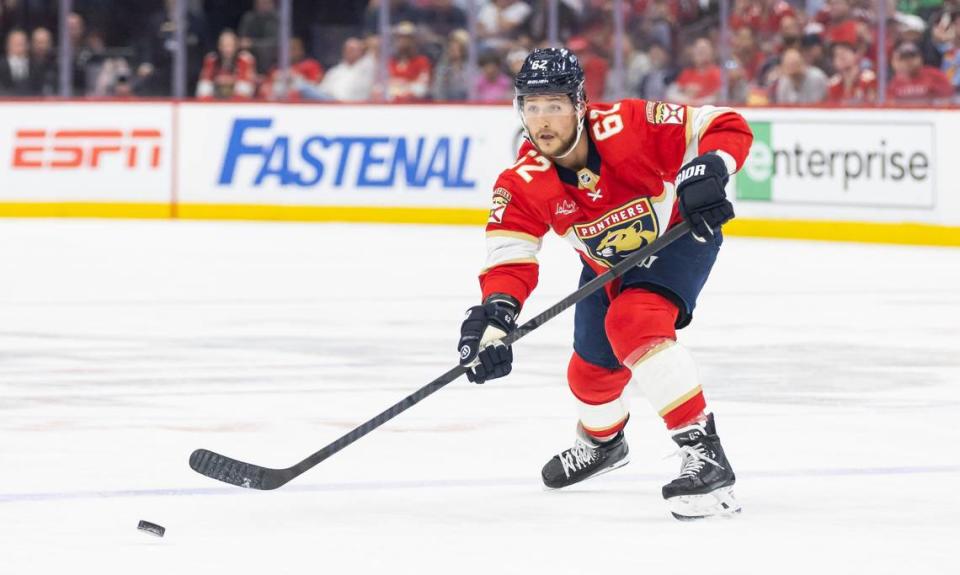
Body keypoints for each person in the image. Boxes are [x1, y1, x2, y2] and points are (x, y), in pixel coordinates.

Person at [456, 48, 752, 520]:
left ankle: (705, 452)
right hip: (607, 266)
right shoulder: (522, 181)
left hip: (678, 234)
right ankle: (603, 444)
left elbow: (726, 125)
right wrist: (495, 318)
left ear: (579, 104)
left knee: (634, 321)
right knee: (589, 373)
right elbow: (511, 258)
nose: (542, 120)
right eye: (531, 107)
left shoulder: (629, 124)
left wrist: (711, 167)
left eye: (553, 105)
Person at [196, 29, 257, 100]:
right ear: (219, 46)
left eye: (230, 45)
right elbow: (205, 81)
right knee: (204, 86)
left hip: (238, 98)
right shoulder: (211, 59)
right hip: (215, 96)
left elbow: (247, 83)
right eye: (224, 45)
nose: (227, 49)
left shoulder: (245, 59)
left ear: (236, 46)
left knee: (244, 87)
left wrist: (229, 81)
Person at [887, 41, 953, 103]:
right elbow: (890, 105)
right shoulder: (894, 82)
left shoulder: (935, 75)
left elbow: (947, 100)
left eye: (912, 56)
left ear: (921, 58)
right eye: (904, 58)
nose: (909, 61)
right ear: (896, 62)